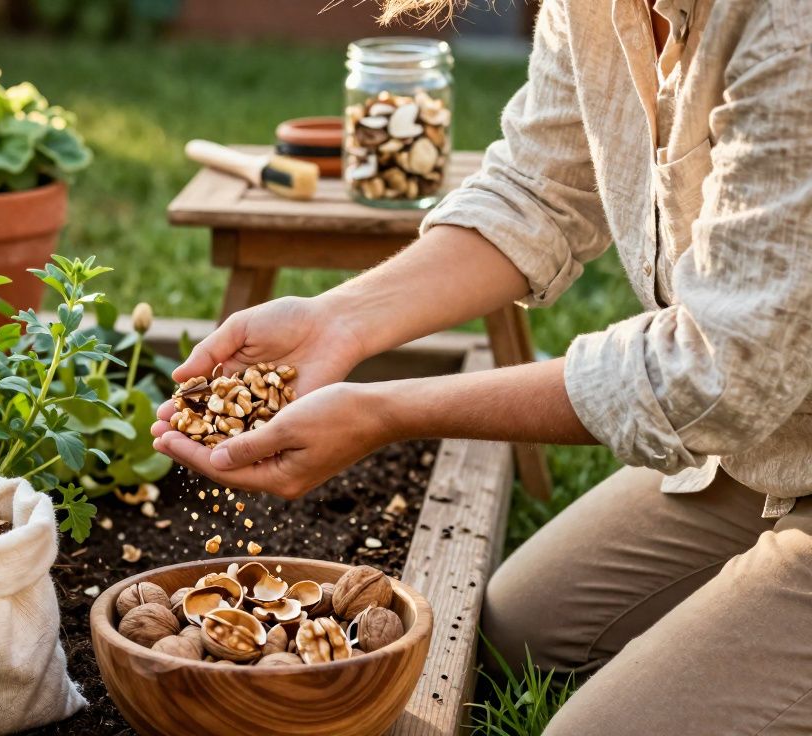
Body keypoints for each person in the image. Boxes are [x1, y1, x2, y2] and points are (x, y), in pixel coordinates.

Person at [150, 0, 812, 733]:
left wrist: (386, 411)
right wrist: (340, 320)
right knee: (512, 630)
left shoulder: (789, 28)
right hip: (766, 443)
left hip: (759, 404)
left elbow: (716, 373)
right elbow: (540, 189)